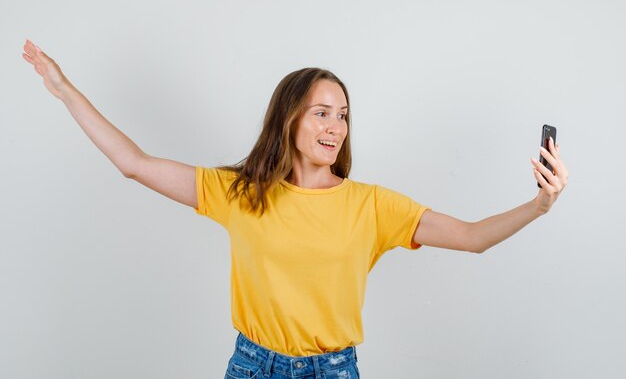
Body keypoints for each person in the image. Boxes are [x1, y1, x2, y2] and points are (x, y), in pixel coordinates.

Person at [22, 39, 568, 379]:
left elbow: (471, 237)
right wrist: (64, 89)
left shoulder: (371, 206)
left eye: (343, 115)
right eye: (321, 113)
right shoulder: (241, 193)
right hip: (253, 366)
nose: (335, 127)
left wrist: (540, 205)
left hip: (334, 371)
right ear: (289, 119)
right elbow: (134, 163)